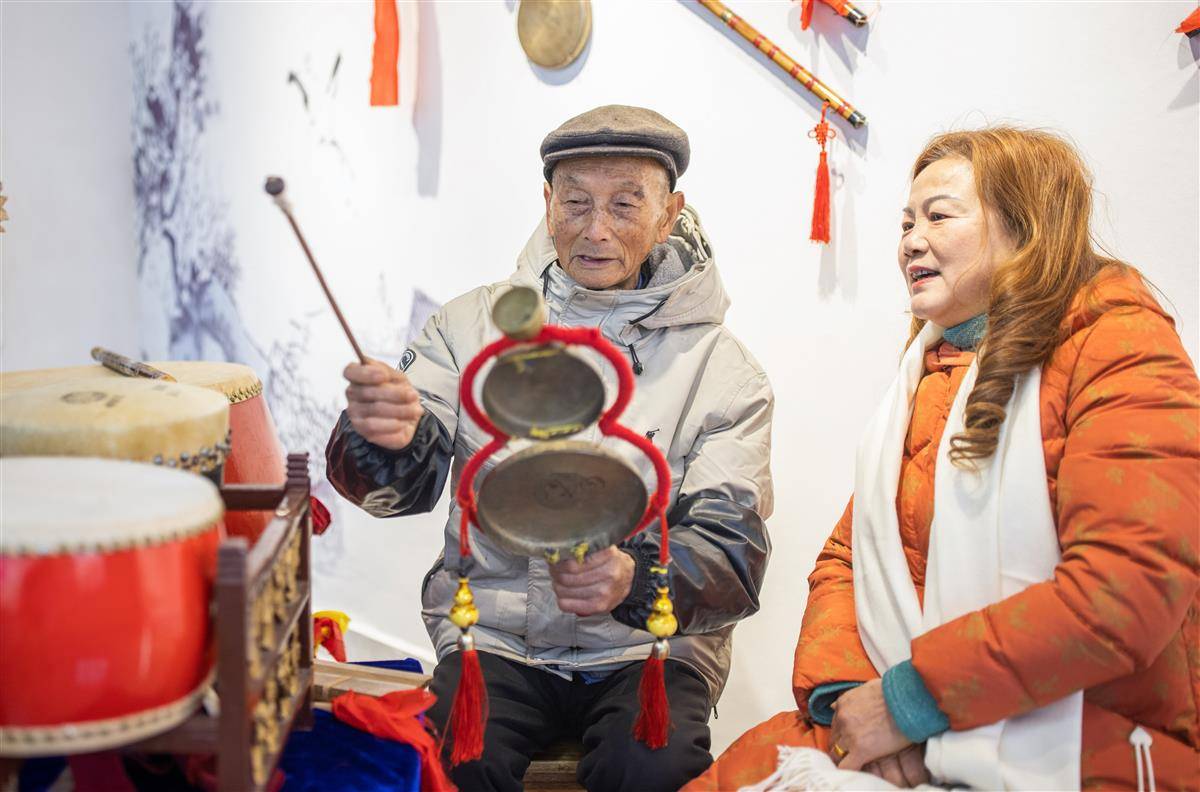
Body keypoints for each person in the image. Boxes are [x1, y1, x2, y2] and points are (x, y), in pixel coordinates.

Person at [687, 127, 1199, 791]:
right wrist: (851, 700)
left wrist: (911, 703)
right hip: (912, 717)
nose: (910, 241)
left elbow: (1126, 587)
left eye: (939, 215)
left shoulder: (1119, 344)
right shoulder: (928, 371)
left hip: (1082, 734)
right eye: (905, 222)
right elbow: (850, 559)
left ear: (1026, 227)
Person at [325, 105, 774, 792]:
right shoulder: (468, 328)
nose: (596, 230)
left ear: (668, 212)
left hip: (648, 650)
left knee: (652, 767)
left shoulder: (722, 369)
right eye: (576, 203)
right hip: (496, 638)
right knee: (445, 763)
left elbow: (731, 553)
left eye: (626, 205)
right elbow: (398, 493)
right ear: (546, 202)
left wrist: (635, 577)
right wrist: (384, 437)